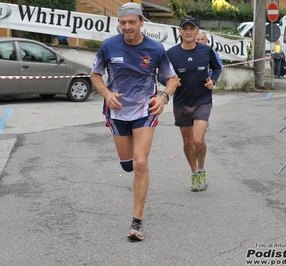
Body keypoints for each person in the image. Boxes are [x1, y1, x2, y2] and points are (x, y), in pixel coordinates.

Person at [90, 2, 179, 241]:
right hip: (117, 112)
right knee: (127, 165)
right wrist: (107, 94)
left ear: (141, 22)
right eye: (123, 22)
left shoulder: (155, 49)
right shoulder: (109, 46)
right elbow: (95, 75)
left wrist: (163, 96)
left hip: (144, 110)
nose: (127, 27)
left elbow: (172, 79)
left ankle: (137, 221)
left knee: (140, 163)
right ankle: (129, 168)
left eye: (132, 22)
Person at [166, 17, 222, 192]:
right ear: (180, 32)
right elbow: (161, 74)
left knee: (198, 140)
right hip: (181, 102)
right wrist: (171, 81)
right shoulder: (172, 53)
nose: (188, 31)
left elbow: (217, 68)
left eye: (192, 28)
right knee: (188, 142)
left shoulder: (206, 51)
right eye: (185, 28)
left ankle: (202, 169)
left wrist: (212, 80)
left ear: (197, 31)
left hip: (202, 101)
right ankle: (193, 172)